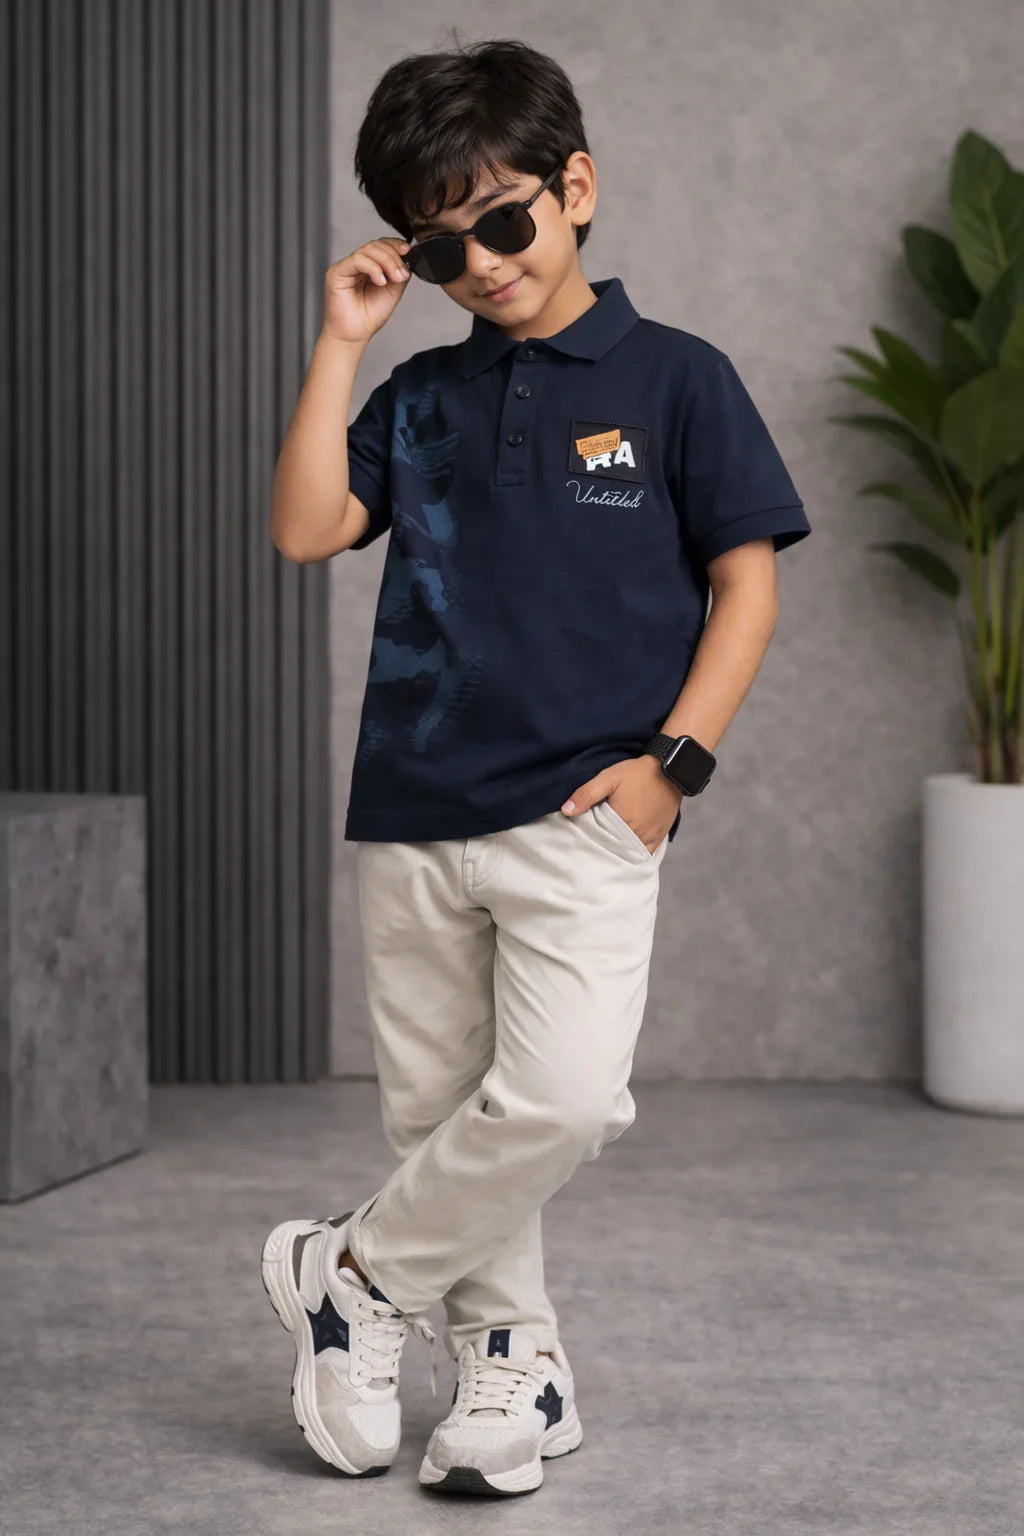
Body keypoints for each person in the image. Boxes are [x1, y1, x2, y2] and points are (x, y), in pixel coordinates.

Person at [261, 34, 811, 1499]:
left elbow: (748, 588)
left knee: (562, 1099)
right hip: (412, 809)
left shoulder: (680, 378)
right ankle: (512, 1367)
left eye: (503, 221)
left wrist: (671, 769)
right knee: (442, 1119)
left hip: (587, 813)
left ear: (575, 188)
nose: (484, 266)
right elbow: (307, 529)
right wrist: (343, 342)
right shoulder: (419, 397)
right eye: (443, 248)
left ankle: (348, 1275)